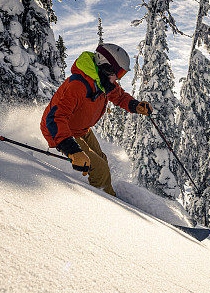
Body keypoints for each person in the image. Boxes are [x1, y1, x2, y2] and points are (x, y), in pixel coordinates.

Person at [40, 43, 152, 196]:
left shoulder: (102, 82)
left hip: (80, 129)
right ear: (106, 67)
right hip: (59, 130)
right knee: (100, 169)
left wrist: (135, 105)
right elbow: (55, 119)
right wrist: (72, 150)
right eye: (118, 74)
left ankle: (101, 190)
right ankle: (106, 204)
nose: (117, 79)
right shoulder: (78, 85)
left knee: (101, 159)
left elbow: (119, 96)